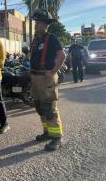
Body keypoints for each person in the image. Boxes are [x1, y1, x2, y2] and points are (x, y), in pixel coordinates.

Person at [29, 9, 66, 151]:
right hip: (35, 77)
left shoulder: (52, 38)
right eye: (35, 23)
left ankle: (57, 138)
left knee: (49, 108)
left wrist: (54, 71)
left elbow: (62, 55)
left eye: (38, 23)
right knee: (40, 107)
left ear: (46, 25)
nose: (36, 25)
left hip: (46, 78)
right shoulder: (36, 40)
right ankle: (47, 132)